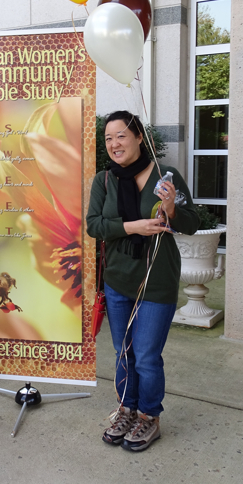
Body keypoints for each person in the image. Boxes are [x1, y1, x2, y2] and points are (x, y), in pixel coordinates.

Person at [86, 110, 199, 452]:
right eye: (108, 138)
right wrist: (132, 227)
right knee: (124, 352)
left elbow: (192, 224)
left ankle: (149, 416)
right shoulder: (105, 180)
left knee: (147, 356)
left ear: (138, 137)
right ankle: (127, 410)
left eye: (121, 135)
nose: (114, 143)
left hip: (156, 280)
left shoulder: (166, 177)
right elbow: (94, 226)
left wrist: (172, 207)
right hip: (118, 280)